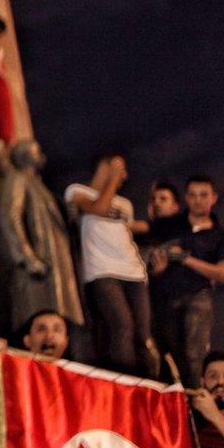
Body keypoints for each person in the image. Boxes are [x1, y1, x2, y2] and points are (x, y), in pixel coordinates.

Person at [65, 152, 160, 378]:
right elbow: (98, 208)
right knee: (121, 324)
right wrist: (113, 177)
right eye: (120, 168)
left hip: (133, 271)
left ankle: (149, 380)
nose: (124, 175)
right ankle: (125, 379)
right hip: (101, 270)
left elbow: (131, 229)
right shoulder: (77, 192)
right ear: (104, 166)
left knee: (142, 332)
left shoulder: (124, 204)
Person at [150, 174, 224, 387]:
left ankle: (195, 405)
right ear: (186, 198)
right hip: (164, 300)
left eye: (203, 195)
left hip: (197, 296)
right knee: (164, 356)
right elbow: (144, 242)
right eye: (193, 195)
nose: (198, 200)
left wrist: (187, 259)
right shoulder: (171, 226)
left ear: (214, 198)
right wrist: (156, 270)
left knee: (193, 355)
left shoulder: (220, 235)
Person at [0, 140, 84, 330]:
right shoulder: (18, 178)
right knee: (41, 320)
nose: (41, 156)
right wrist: (27, 258)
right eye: (36, 152)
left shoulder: (38, 184)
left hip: (57, 262)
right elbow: (10, 217)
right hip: (40, 264)